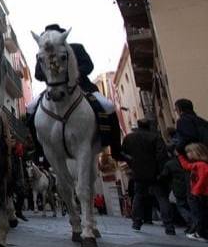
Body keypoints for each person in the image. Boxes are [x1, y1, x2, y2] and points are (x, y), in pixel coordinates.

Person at [26, 23, 126, 164]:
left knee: (107, 105)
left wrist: (72, 74)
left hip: (83, 86)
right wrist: (51, 74)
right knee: (30, 108)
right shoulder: (44, 53)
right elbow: (37, 74)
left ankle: (116, 150)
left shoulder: (76, 48)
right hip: (54, 86)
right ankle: (40, 150)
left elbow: (88, 65)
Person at [122, 119, 175, 235]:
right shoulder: (155, 137)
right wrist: (162, 172)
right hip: (155, 173)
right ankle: (169, 225)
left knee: (139, 196)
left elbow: (123, 153)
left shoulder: (129, 138)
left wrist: (132, 164)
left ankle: (136, 222)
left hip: (139, 172)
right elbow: (162, 155)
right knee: (162, 197)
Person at [174, 98, 208, 232]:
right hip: (204, 156)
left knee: (193, 197)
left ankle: (199, 228)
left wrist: (179, 150)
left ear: (179, 109)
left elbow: (188, 137)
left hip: (195, 160)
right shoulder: (202, 121)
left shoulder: (183, 121)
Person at [178, 142, 208, 242]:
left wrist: (196, 190)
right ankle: (201, 232)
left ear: (196, 153)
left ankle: (202, 234)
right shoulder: (196, 164)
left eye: (189, 152)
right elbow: (186, 166)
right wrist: (180, 157)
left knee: (202, 213)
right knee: (201, 213)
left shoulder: (201, 165)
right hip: (200, 193)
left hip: (203, 193)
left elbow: (203, 178)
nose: (187, 154)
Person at [160, 144, 194, 233]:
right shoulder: (189, 161)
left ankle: (191, 222)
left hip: (179, 189)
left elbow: (164, 176)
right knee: (191, 206)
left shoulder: (170, 164)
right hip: (191, 188)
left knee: (181, 206)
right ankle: (192, 223)